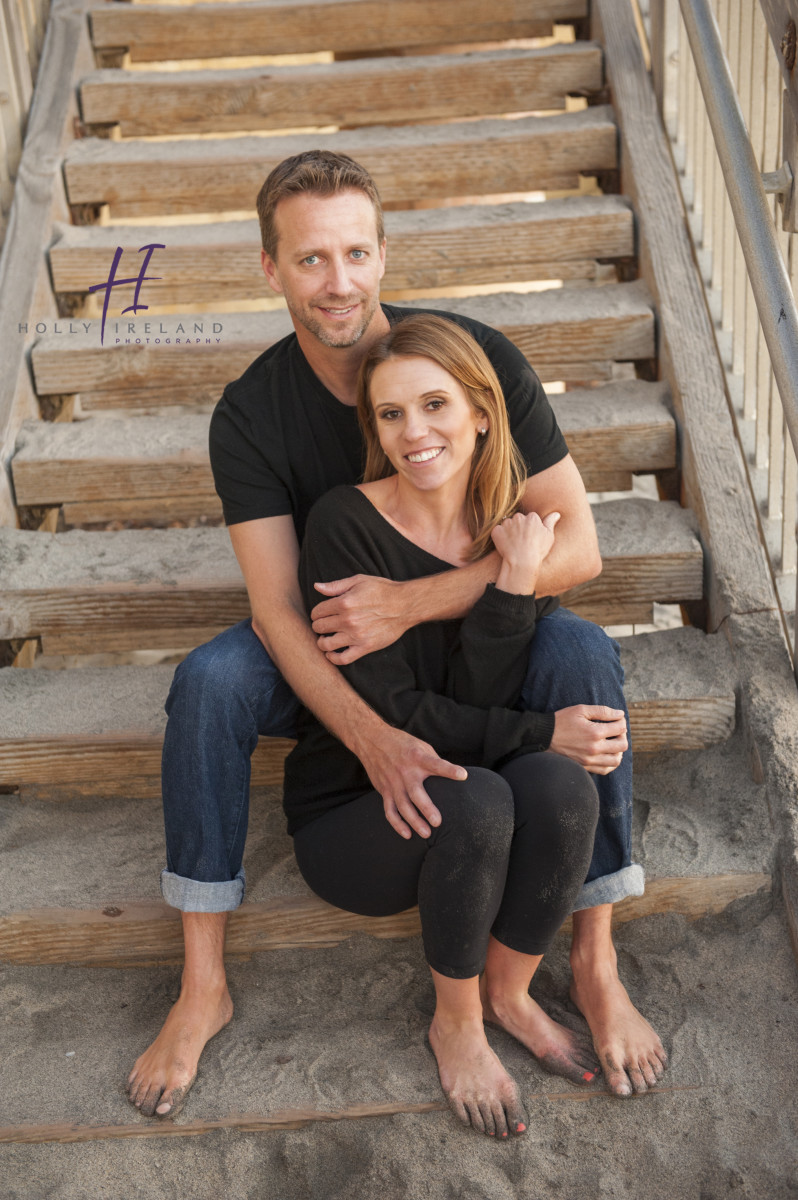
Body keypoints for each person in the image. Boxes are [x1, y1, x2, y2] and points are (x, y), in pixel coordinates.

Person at [126, 150, 667, 1120]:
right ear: (269, 268)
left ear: (384, 253)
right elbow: (277, 610)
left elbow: (576, 546)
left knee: (582, 649)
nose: (338, 282)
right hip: (331, 639)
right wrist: (371, 737)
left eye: (355, 254)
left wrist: (420, 602)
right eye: (310, 260)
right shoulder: (252, 415)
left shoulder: (468, 360)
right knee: (210, 682)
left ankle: (594, 957)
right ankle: (203, 980)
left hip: (471, 622)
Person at [288, 312, 608, 1137]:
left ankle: (508, 992)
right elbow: (399, 719)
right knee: (484, 798)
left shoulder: (507, 524)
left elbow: (479, 689)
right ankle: (456, 1023)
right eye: (390, 415)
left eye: (433, 406)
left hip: (459, 787)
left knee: (562, 788)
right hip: (357, 812)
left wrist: (513, 580)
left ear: (482, 414)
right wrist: (538, 731)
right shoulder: (342, 523)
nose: (413, 433)